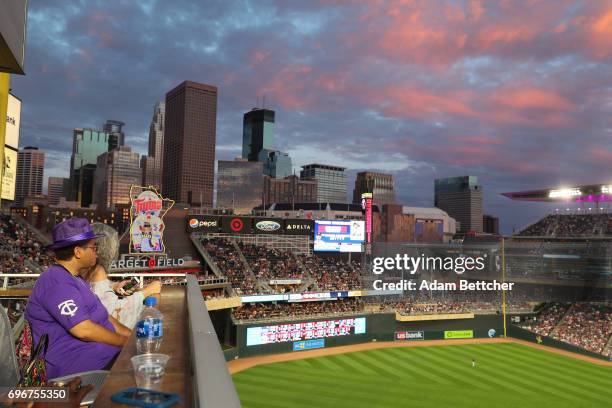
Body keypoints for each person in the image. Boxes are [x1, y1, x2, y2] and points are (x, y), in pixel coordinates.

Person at [25, 218, 131, 379]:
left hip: (99, 356)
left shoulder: (77, 279)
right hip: (73, 368)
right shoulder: (55, 281)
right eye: (93, 247)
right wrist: (126, 344)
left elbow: (105, 318)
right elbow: (83, 330)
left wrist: (134, 337)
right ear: (78, 252)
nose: (97, 251)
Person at [84, 223, 161, 329]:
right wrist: (146, 292)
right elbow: (120, 319)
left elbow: (99, 287)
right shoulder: (99, 285)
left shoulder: (81, 279)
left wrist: (114, 286)